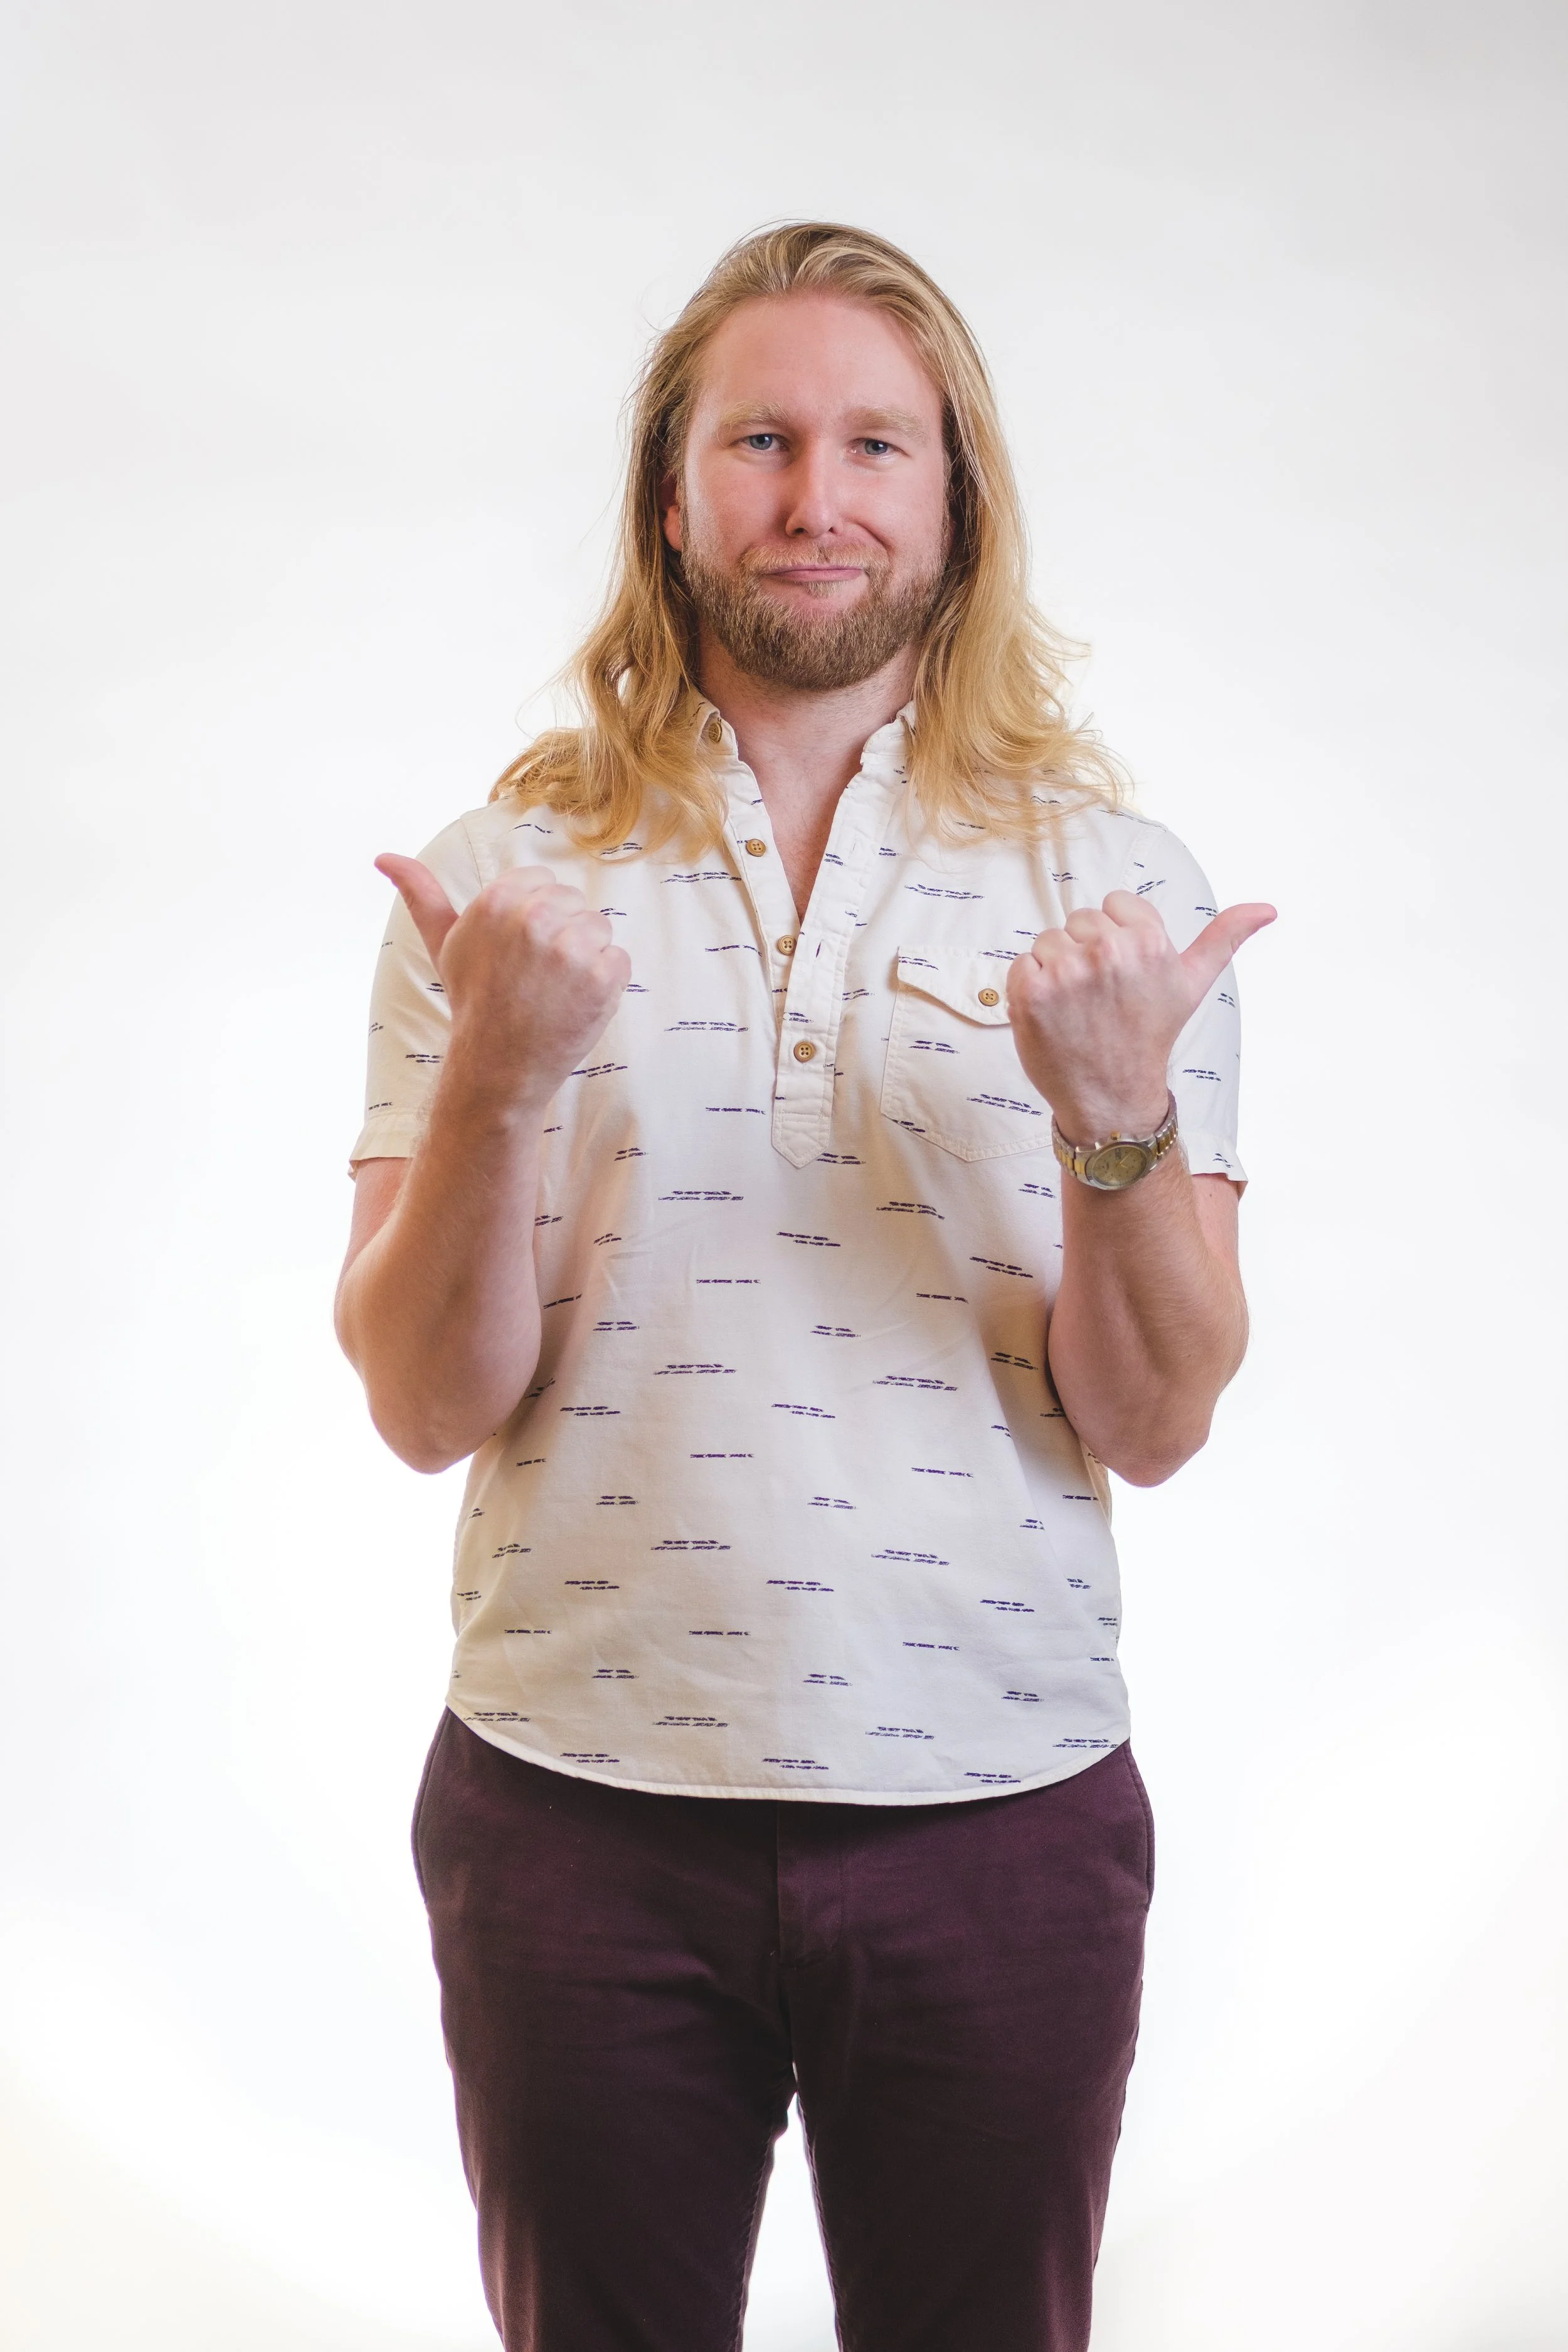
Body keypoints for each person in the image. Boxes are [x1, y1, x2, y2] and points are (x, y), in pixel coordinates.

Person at [334, 220, 1273, 2352]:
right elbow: (416, 1401)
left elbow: (1156, 1415)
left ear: (958, 497)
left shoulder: (1117, 895)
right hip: (573, 1816)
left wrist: (1114, 1103)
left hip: (998, 1820)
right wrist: (492, 1078)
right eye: (757, 438)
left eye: (876, 443)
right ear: (673, 493)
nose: (814, 497)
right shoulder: (493, 882)